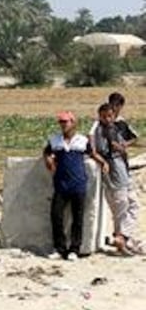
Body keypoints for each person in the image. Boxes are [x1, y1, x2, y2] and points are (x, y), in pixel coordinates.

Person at [90, 103, 141, 254]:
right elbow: (95, 150)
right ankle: (121, 238)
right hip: (115, 173)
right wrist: (104, 161)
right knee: (121, 207)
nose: (107, 119)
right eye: (104, 116)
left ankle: (123, 237)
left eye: (110, 116)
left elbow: (132, 139)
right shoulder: (99, 130)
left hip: (122, 171)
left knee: (131, 205)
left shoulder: (115, 127)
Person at [43, 111, 91, 260]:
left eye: (66, 122)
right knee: (56, 216)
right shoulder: (54, 140)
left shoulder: (82, 140)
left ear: (73, 123)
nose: (63, 125)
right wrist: (48, 160)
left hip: (78, 184)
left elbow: (92, 153)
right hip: (61, 184)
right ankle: (60, 248)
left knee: (77, 218)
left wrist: (103, 162)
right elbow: (46, 152)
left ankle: (74, 249)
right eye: (61, 122)